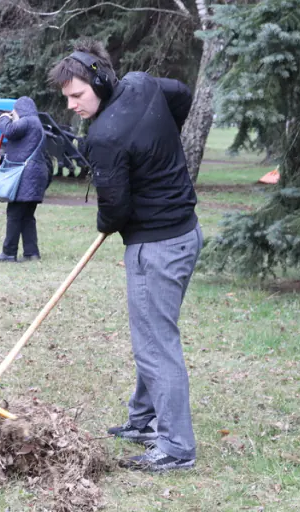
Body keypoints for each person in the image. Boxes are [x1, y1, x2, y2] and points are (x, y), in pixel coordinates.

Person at [49, 42, 202, 472]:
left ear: (99, 82)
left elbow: (114, 211)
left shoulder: (105, 137)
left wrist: (110, 218)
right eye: (66, 97)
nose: (71, 104)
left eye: (77, 94)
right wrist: (158, 144)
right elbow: (183, 95)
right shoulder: (140, 84)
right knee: (155, 333)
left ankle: (175, 447)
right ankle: (144, 419)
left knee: (155, 344)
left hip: (156, 248)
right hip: (187, 234)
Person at [0, 96, 50, 263]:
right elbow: (22, 150)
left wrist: (3, 118)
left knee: (14, 214)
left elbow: (9, 131)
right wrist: (1, 159)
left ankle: (9, 252)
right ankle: (31, 253)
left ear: (20, 109)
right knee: (27, 216)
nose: (13, 114)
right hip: (34, 174)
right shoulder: (36, 124)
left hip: (26, 177)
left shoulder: (28, 121)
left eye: (14, 111)